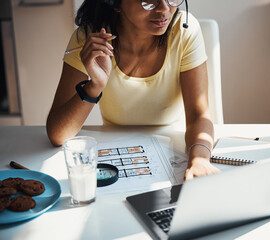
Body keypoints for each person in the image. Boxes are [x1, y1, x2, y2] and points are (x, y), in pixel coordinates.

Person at [46, 0, 220, 180]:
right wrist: (94, 86)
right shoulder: (90, 39)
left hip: (173, 146)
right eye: (149, 1)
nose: (164, 9)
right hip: (116, 153)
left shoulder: (185, 30)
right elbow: (58, 135)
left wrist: (200, 160)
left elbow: (199, 116)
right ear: (116, 3)